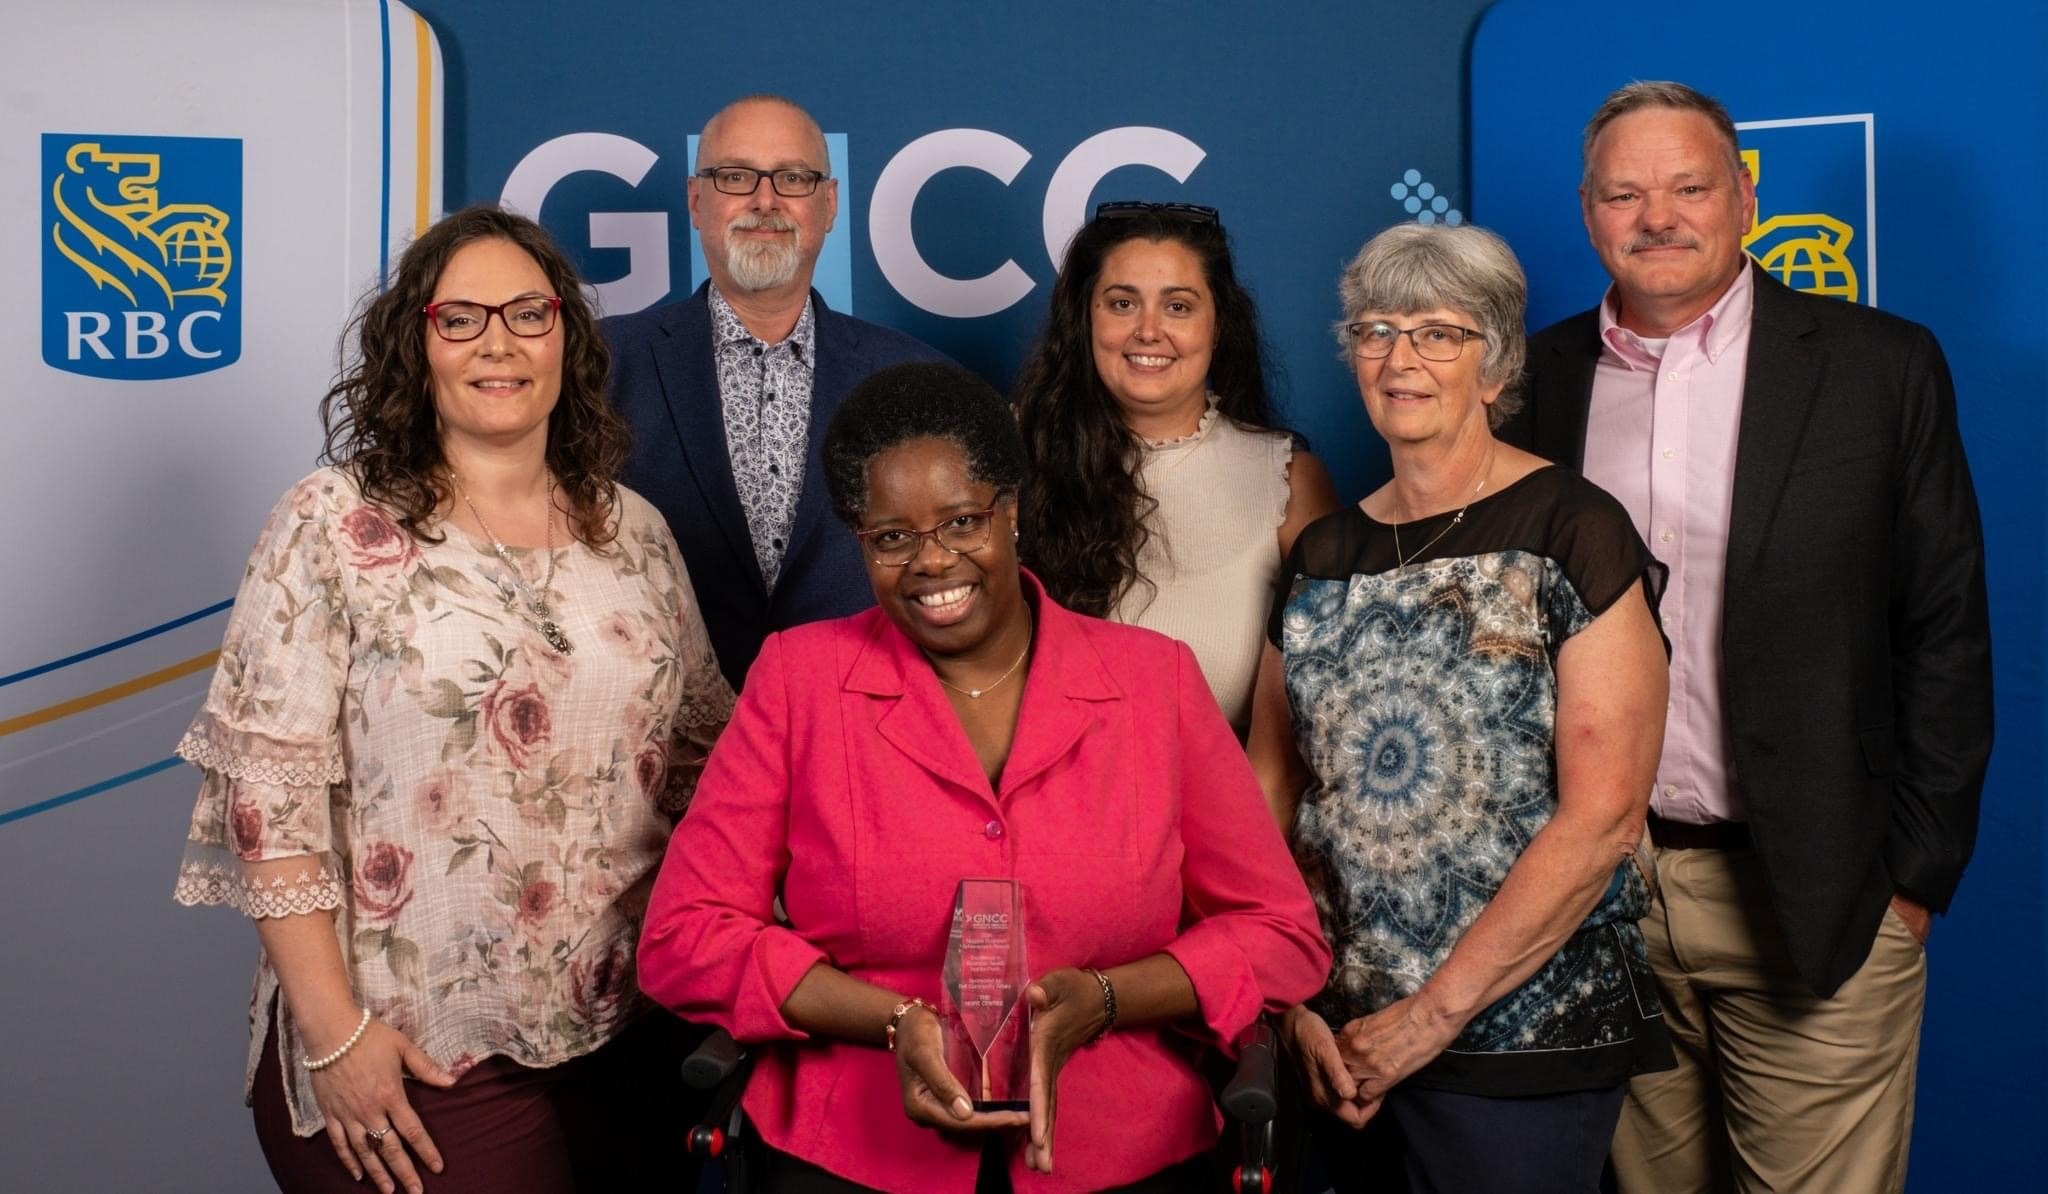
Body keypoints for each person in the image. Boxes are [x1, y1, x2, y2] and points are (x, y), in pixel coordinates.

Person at [637, 361, 1330, 1192]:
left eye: (962, 522)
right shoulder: (799, 682)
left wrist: (1108, 1000)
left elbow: (1282, 936)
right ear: (861, 538)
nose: (932, 562)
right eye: (892, 537)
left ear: (1011, 511)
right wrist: (890, 1022)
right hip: (857, 1149)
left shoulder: (1155, 684)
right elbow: (684, 939)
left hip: (1124, 1149)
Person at [170, 205, 734, 1194]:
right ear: (414, 344)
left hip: (621, 1040)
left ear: (566, 335)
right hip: (412, 1048)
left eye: (527, 313)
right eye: (460, 319)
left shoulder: (633, 531)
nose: (499, 344)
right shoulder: (331, 524)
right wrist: (335, 1035)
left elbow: (708, 757)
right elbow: (268, 802)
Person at [1501, 81, 1994, 1193]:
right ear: (1586, 212)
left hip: (1817, 896)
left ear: (1743, 195)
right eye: (1623, 193)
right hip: (1600, 896)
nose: (1656, 217)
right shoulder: (1534, 382)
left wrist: (1908, 880)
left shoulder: (1879, 366)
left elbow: (1944, 629)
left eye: (1687, 186)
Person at [1247, 222, 1675, 1191]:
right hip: (1336, 1041)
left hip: (1516, 1041)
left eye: (1437, 333)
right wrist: (1288, 1000)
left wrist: (1429, 1019)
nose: (1399, 359)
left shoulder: (1573, 532)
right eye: (1374, 332)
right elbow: (1264, 797)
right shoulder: (1318, 560)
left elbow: (1601, 818)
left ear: (1495, 365)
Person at [605, 93, 949, 689]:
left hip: (861, 733)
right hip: (663, 739)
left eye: (792, 177)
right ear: (695, 199)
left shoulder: (916, 381)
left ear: (830, 203)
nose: (765, 201)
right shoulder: (599, 366)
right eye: (736, 176)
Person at [1014, 202, 1338, 736]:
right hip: (1049, 809)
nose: (1148, 330)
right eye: (1121, 303)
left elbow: (1319, 714)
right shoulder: (1016, 464)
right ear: (1084, 319)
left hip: (1217, 807)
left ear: (1218, 325)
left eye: (1179, 307)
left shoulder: (1289, 481)